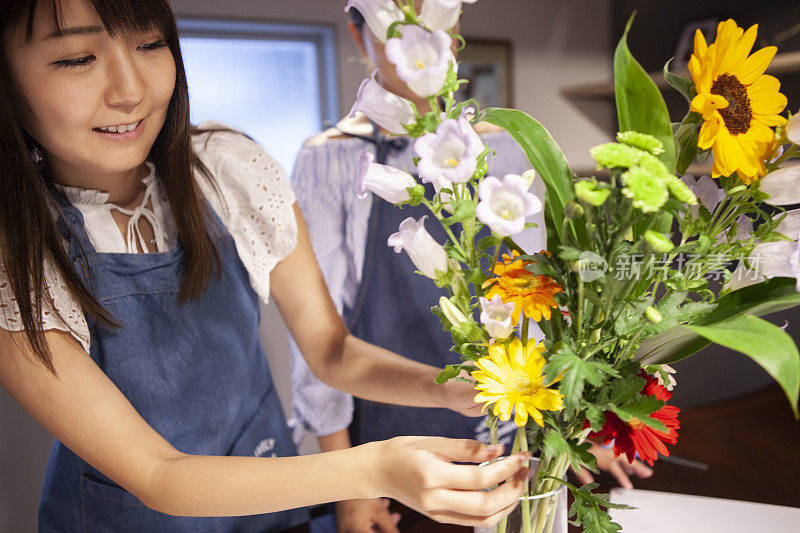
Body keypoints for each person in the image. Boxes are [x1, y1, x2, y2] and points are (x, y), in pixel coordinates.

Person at [0, 0, 535, 531]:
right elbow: (158, 474)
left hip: (270, 511)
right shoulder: (15, 254)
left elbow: (332, 351)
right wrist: (373, 469)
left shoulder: (227, 168)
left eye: (149, 45)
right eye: (76, 60)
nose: (130, 91)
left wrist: (443, 387)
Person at [288, 3, 655, 531]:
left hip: (505, 439)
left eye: (434, 18)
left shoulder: (505, 147)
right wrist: (349, 483)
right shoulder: (329, 159)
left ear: (455, 30)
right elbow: (322, 340)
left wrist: (568, 436)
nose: (415, 39)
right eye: (393, 22)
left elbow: (539, 305)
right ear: (358, 32)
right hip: (390, 456)